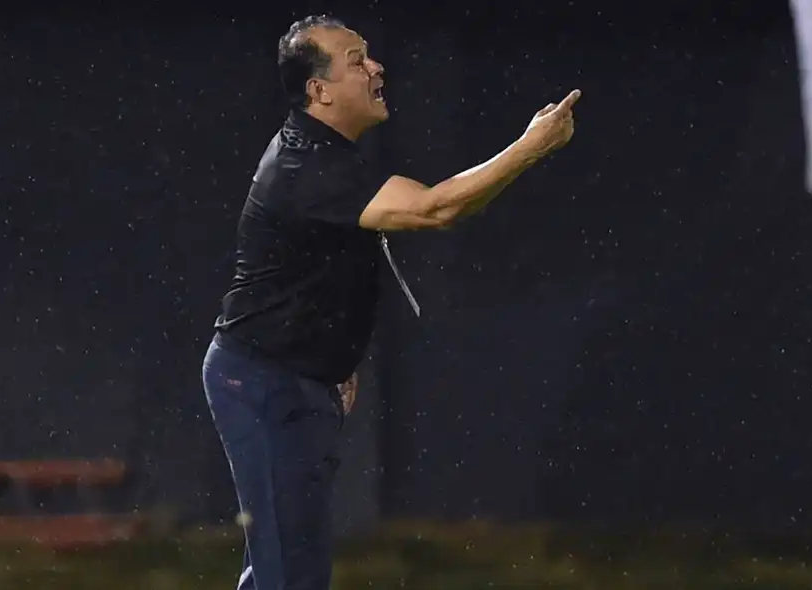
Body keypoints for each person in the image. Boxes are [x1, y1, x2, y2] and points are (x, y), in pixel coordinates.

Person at [201, 14, 580, 590]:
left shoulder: (328, 153)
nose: (376, 67)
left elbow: (319, 271)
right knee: (290, 572)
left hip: (295, 378)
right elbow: (436, 209)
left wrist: (336, 359)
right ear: (318, 91)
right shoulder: (309, 165)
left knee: (286, 565)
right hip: (262, 383)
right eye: (356, 61)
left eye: (369, 54)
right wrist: (530, 148)